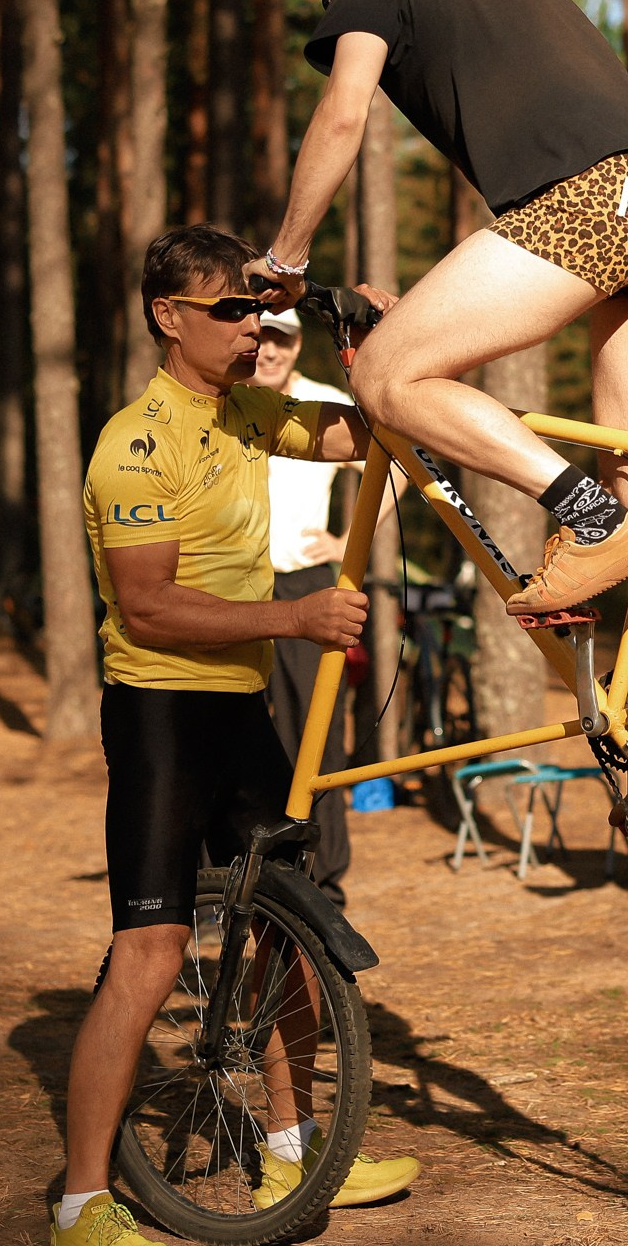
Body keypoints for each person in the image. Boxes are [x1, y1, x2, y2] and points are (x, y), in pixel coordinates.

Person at [57, 226, 416, 1246]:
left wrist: (389, 349)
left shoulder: (250, 414)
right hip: (165, 713)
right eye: (229, 310)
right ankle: (82, 1203)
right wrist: (294, 620)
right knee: (152, 950)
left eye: (256, 309)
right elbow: (148, 607)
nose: (253, 326)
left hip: (244, 709)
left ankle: (293, 1159)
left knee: (286, 929)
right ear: (169, 317)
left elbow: (370, 434)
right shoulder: (136, 438)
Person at [259, 0, 628, 659]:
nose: (336, 16)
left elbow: (343, 114)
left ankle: (590, 519)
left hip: (595, 199)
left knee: (384, 376)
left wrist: (287, 258)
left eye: (327, 0)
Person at [255, 305, 357, 905]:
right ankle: (231, 880)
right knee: (235, 731)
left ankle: (323, 883)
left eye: (282, 340)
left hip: (308, 584)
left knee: (316, 738)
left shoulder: (321, 404)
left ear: (296, 347)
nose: (269, 350)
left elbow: (391, 468)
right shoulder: (229, 404)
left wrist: (344, 542)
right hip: (237, 589)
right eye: (261, 336)